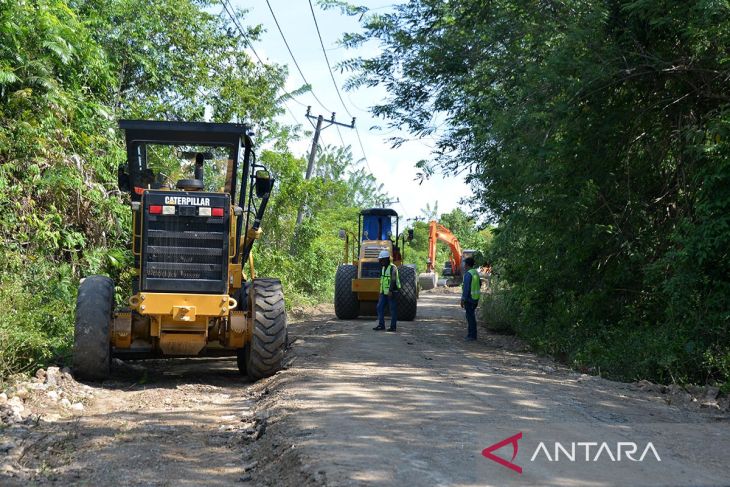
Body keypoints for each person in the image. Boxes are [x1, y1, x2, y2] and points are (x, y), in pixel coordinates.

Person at [373, 249, 400, 332]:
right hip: (384, 293)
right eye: (380, 260)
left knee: (392, 309)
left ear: (386, 259)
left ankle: (393, 327)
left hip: (392, 292)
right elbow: (383, 281)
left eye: (381, 260)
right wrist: (381, 291)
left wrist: (390, 290)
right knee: (379, 307)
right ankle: (381, 325)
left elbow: (393, 280)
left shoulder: (393, 268)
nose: (380, 261)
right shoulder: (383, 268)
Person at [461, 257, 481, 341]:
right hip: (475, 298)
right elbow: (480, 283)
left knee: (470, 317)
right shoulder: (475, 272)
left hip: (469, 299)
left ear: (467, 265)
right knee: (471, 316)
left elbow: (466, 288)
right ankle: (472, 335)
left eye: (464, 264)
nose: (464, 265)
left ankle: (471, 336)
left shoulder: (468, 274)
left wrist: (463, 299)